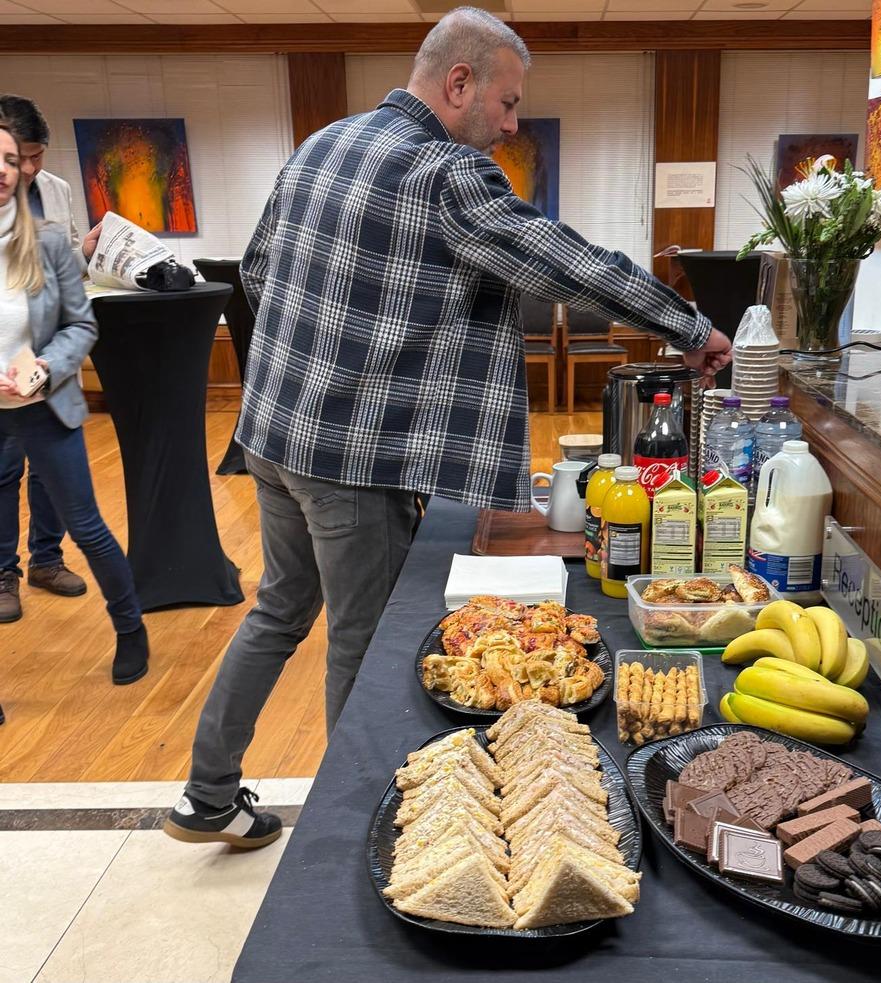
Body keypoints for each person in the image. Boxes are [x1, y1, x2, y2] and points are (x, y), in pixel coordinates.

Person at [164, 6, 731, 850]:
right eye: (505, 104)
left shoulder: (323, 143)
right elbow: (561, 258)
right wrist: (690, 326)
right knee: (366, 645)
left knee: (280, 607)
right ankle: (365, 832)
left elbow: (256, 269)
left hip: (273, 435)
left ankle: (205, 796)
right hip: (353, 461)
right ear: (457, 82)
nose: (509, 126)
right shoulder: (443, 173)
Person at [0, 119, 150, 684]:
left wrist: (43, 366)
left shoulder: (46, 244)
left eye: (10, 160)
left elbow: (79, 325)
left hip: (43, 409)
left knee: (86, 528)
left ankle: (130, 628)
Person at [0, 95, 102, 622]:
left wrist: (85, 251)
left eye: (39, 155)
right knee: (3, 472)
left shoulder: (58, 191)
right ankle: (2, 574)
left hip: (51, 359)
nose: (33, 168)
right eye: (25, 156)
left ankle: (47, 559)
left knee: (49, 474)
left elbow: (68, 283)